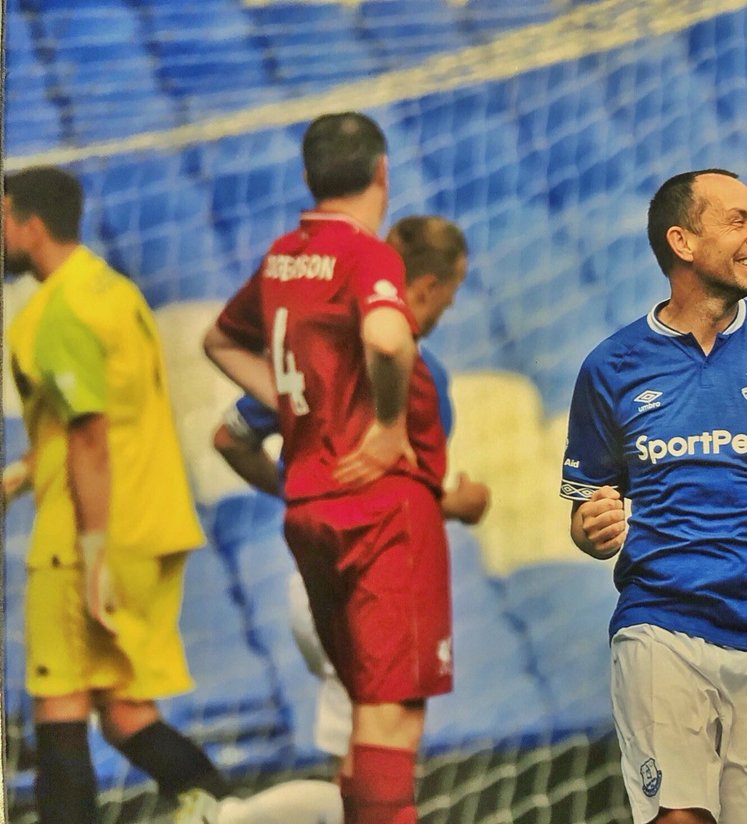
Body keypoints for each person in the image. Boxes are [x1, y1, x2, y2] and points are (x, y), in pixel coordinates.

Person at [561, 169, 747, 824]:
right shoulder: (611, 367)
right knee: (680, 817)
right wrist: (592, 528)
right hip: (660, 620)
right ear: (683, 242)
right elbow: (586, 513)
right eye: (738, 221)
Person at [203, 112, 455, 824]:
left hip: (308, 503)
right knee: (389, 722)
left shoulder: (284, 257)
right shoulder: (367, 255)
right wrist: (386, 425)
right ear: (382, 173)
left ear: (309, 176)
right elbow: (387, 338)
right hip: (378, 509)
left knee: (363, 720)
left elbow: (219, 341)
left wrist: (297, 405)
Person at [2, 166, 230, 823]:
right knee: (126, 712)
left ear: (30, 225)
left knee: (61, 708)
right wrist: (19, 476)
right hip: (150, 524)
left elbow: (91, 438)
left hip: (86, 538)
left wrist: (94, 553)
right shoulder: (115, 291)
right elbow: (98, 419)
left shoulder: (57, 312)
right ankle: (230, 810)